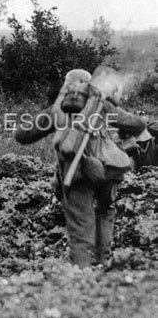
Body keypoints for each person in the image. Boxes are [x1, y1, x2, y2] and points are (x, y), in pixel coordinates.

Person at [14, 67, 147, 268]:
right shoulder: (102, 105)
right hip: (105, 171)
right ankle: (104, 262)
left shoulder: (56, 110)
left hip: (75, 174)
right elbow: (137, 124)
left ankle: (82, 276)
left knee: (80, 228)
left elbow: (22, 135)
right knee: (105, 211)